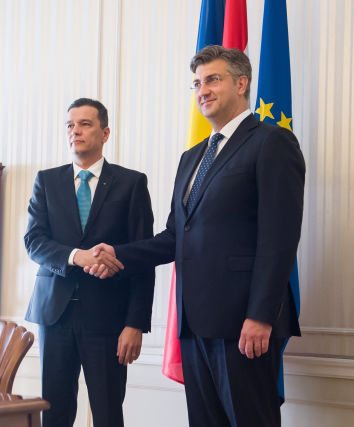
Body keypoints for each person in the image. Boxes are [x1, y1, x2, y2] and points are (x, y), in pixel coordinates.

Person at [86, 46, 305, 427]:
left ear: (242, 83)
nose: (202, 90)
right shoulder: (192, 157)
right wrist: (118, 253)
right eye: (197, 83)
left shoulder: (271, 142)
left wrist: (260, 315)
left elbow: (280, 239)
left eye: (213, 80)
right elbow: (175, 236)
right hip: (193, 321)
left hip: (243, 323)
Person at [24, 98, 155, 427]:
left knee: (108, 414)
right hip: (54, 316)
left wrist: (135, 323)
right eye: (70, 125)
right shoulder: (47, 181)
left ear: (105, 133)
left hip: (109, 319)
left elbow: (144, 257)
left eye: (85, 124)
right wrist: (76, 256)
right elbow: (34, 241)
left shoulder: (131, 183)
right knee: (54, 415)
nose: (75, 131)